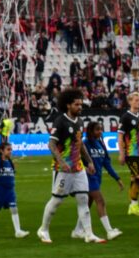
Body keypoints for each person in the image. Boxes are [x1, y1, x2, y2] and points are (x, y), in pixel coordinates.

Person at [37, 88, 103, 244]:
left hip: (78, 168)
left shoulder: (80, 122)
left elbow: (80, 145)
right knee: (57, 200)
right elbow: (51, 144)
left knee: (83, 198)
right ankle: (43, 229)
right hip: (63, 170)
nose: (80, 107)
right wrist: (61, 161)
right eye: (76, 104)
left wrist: (89, 162)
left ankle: (88, 233)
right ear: (68, 105)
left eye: (81, 104)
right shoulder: (60, 121)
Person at [80, 121, 123, 240]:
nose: (100, 132)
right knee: (101, 201)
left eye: (101, 129)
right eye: (97, 129)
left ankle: (78, 230)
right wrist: (85, 169)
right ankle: (109, 231)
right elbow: (78, 160)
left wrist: (117, 178)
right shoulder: (85, 144)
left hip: (97, 178)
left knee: (87, 205)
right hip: (88, 178)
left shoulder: (101, 144)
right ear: (90, 131)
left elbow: (107, 164)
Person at [0, 142, 30, 239]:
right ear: (1, 151)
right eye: (8, 149)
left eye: (11, 149)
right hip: (0, 190)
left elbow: (11, 173)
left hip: (10, 191)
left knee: (14, 208)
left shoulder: (10, 162)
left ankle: (18, 231)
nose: (10, 151)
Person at [117, 91, 139, 216]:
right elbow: (120, 136)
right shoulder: (125, 117)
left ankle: (132, 206)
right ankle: (134, 204)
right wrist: (121, 153)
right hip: (130, 152)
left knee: (134, 178)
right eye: (136, 100)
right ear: (130, 101)